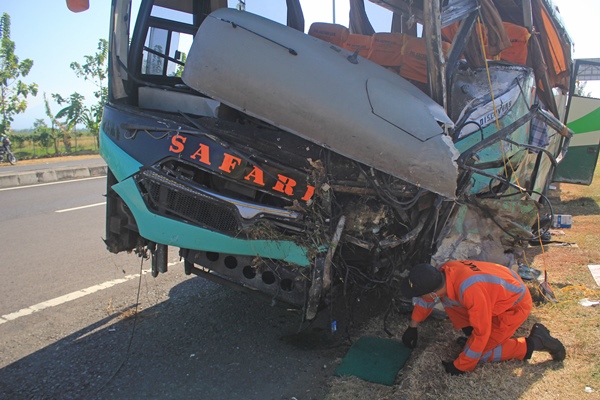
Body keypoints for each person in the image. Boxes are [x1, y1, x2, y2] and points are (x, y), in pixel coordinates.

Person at [399, 260, 566, 375]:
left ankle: (536, 342)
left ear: (433, 293)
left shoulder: (471, 292)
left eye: (421, 295)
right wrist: (412, 326)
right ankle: (473, 342)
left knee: (481, 353)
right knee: (453, 304)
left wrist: (461, 366)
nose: (420, 298)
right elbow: (427, 299)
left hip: (513, 307)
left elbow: (482, 333)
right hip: (498, 294)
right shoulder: (444, 272)